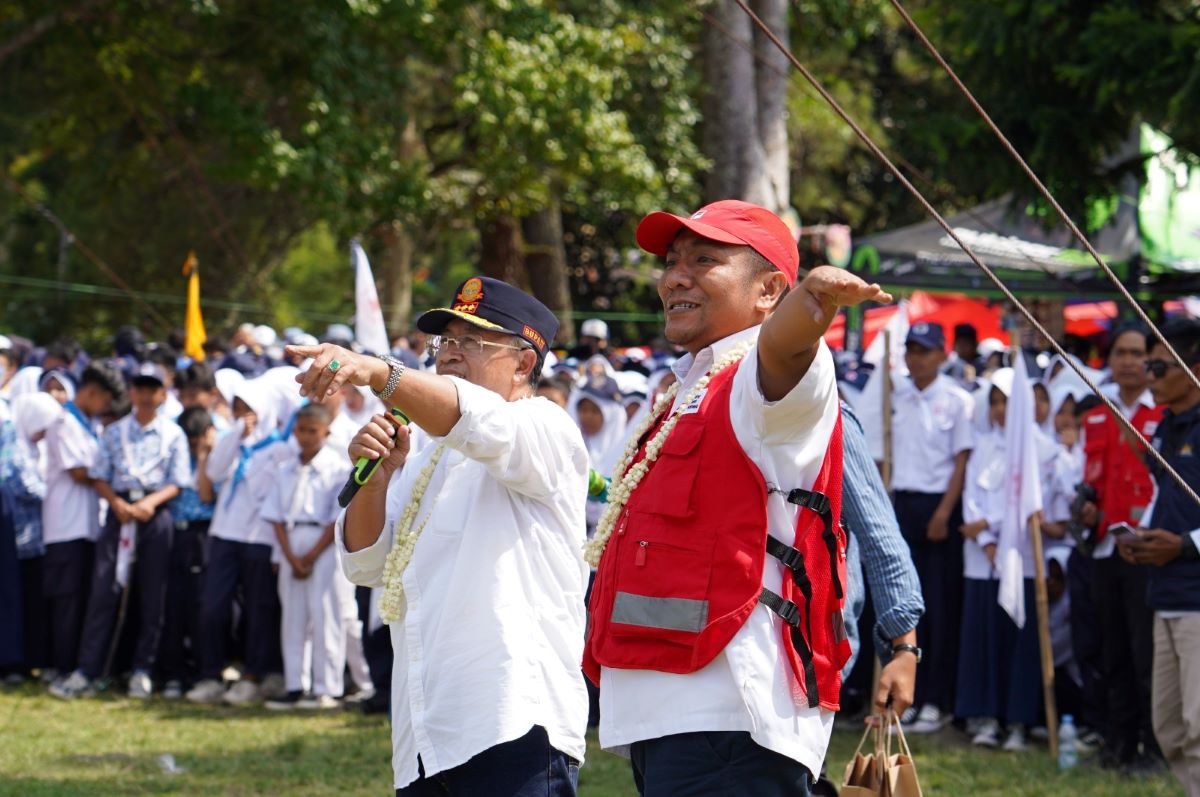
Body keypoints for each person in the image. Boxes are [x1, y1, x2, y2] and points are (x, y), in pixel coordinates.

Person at [582, 199, 890, 796]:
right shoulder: (686, 385)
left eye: (704, 259)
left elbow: (788, 351)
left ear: (769, 289)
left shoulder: (763, 376)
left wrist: (813, 303)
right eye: (672, 261)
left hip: (730, 715)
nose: (675, 276)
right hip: (670, 708)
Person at [288, 275, 590, 796]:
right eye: (445, 342)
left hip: (511, 720)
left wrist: (378, 372)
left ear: (523, 363)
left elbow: (482, 424)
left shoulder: (545, 425)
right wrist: (376, 479)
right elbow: (365, 565)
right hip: (425, 729)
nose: (450, 354)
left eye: (471, 342)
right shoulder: (426, 450)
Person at [53, 363, 189, 700]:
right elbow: (99, 474)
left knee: (152, 593)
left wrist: (150, 504)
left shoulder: (173, 433)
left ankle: (143, 669)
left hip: (154, 514)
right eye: (139, 388)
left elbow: (178, 481)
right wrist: (116, 503)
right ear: (130, 393)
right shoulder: (114, 432)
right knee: (104, 591)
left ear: (162, 394)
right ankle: (88, 669)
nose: (145, 395)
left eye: (152, 389)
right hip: (120, 512)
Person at [1118, 318, 1200, 796]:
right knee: (1170, 728)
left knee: (1197, 726)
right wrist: (1144, 537)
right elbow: (1167, 502)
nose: (1148, 374)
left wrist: (1184, 545)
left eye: (1158, 365)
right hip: (1164, 593)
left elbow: (1186, 531)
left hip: (1195, 598)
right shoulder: (1166, 427)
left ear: (1193, 370)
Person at [1080, 324, 1164, 771]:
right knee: (1111, 651)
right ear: (1109, 359)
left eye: (1137, 353)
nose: (1129, 361)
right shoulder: (1097, 412)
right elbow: (1091, 480)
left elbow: (1164, 486)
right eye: (1121, 353)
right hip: (1103, 550)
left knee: (1146, 655)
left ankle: (1154, 748)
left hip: (1147, 549)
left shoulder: (1164, 415)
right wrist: (1088, 509)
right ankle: (1118, 742)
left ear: (1151, 361)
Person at [889, 321, 975, 734]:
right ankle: (906, 695)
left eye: (924, 350)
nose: (916, 358)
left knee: (937, 606)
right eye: (911, 350)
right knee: (902, 604)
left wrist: (944, 512)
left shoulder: (958, 400)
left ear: (942, 354)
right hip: (901, 502)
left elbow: (961, 461)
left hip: (938, 506)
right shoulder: (895, 396)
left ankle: (935, 700)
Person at [186, 379, 294, 706]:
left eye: (249, 408)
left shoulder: (280, 448)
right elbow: (215, 473)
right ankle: (211, 673)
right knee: (212, 605)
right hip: (225, 532)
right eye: (238, 408)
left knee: (258, 610)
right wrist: (235, 435)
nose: (243, 414)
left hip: (259, 537)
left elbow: (273, 494)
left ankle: (253, 676)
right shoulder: (233, 443)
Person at [955, 370, 1041, 752]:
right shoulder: (982, 448)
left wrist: (990, 528)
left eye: (1008, 401)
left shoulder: (1039, 448)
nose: (1001, 409)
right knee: (983, 638)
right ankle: (985, 717)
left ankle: (1020, 720)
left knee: (1019, 642)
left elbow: (1029, 506)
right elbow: (971, 495)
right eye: (995, 401)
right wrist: (987, 540)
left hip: (1020, 560)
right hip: (982, 560)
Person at [41, 364, 122, 689]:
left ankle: (77, 666)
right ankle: (61, 667)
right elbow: (79, 472)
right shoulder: (64, 422)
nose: (106, 408)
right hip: (65, 526)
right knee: (66, 600)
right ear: (92, 392)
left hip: (86, 526)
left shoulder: (86, 424)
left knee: (83, 599)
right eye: (105, 400)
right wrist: (113, 479)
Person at [262, 403, 346, 711]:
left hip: (322, 542)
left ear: (326, 432)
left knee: (326, 615)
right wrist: (290, 556)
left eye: (313, 431)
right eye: (301, 430)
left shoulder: (337, 468)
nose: (305, 437)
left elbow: (336, 516)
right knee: (293, 618)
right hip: (291, 539)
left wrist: (309, 556)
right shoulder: (286, 468)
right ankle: (295, 684)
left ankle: (328, 688)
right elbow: (275, 516)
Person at [158, 407, 218, 699]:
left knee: (200, 604)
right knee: (173, 605)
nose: (194, 448)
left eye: (198, 442)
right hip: (174, 532)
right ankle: (174, 672)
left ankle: (201, 670)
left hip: (202, 533)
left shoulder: (214, 460)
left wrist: (205, 455)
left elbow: (207, 494)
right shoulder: (173, 455)